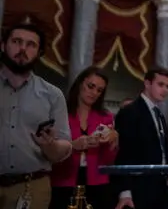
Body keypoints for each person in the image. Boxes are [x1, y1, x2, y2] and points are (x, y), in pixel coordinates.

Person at [0, 20, 72, 209]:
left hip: (30, 188)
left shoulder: (53, 95)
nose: (23, 48)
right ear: (3, 45)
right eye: (16, 41)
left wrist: (50, 146)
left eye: (31, 44)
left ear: (39, 53)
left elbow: (64, 147)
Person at [49, 66, 119, 209]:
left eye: (99, 90)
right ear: (80, 83)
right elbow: (49, 150)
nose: (93, 93)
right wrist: (72, 145)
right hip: (63, 180)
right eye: (90, 86)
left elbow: (108, 160)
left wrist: (113, 141)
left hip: (97, 182)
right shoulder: (61, 113)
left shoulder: (106, 117)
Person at [113, 67, 168, 209]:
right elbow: (124, 154)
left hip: (162, 188)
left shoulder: (158, 114)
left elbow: (163, 151)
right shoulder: (130, 112)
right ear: (147, 83)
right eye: (160, 85)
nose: (165, 90)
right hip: (140, 189)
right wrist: (125, 192)